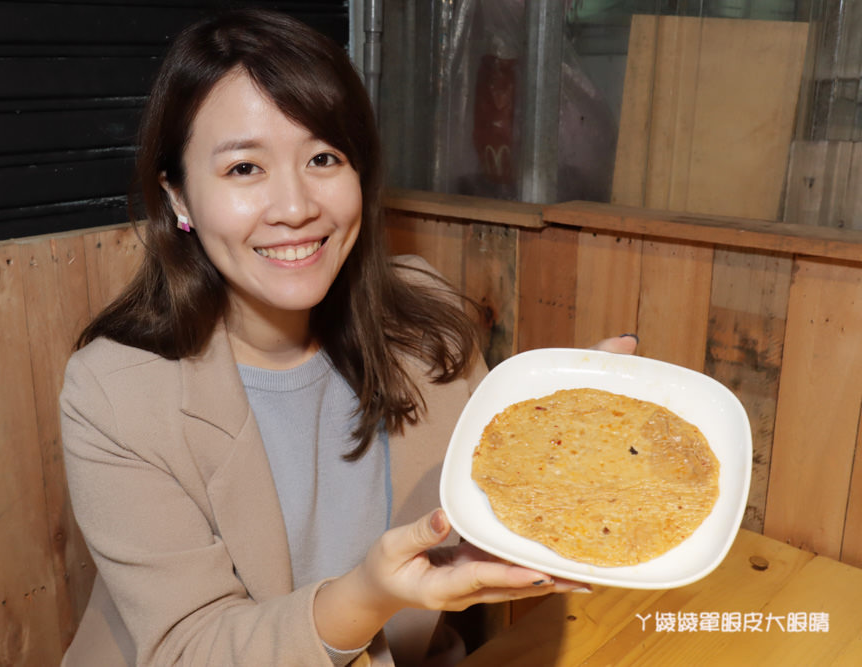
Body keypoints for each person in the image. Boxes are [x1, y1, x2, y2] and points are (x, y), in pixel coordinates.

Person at [59, 9, 636, 667]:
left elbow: (486, 505)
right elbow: (191, 647)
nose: (296, 205)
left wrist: (567, 431)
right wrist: (366, 594)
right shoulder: (114, 391)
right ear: (180, 198)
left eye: (323, 157)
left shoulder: (427, 327)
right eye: (245, 169)